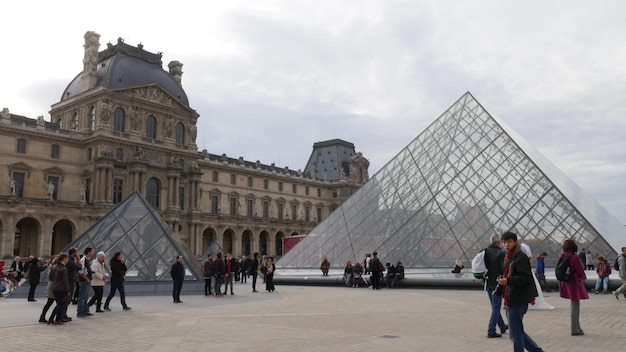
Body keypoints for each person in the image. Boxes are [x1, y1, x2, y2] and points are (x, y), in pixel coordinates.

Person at [496, 231, 544, 352]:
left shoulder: (520, 257)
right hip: (511, 298)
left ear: (515, 242)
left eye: (509, 242)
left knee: (516, 335)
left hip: (518, 299)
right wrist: (504, 280)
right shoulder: (509, 255)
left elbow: (526, 278)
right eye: (504, 242)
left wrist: (508, 281)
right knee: (517, 331)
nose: (506, 244)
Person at [558, 239, 588, 336]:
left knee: (574, 304)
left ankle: (577, 327)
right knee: (575, 306)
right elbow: (580, 271)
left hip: (565, 282)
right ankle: (575, 329)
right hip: (573, 283)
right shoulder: (574, 257)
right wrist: (583, 277)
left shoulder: (561, 256)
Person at [484, 233, 508, 338]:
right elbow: (503, 269)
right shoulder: (501, 253)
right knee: (496, 308)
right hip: (497, 283)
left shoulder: (484, 252)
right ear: (499, 242)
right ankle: (491, 330)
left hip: (487, 282)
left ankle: (502, 326)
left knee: (494, 306)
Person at [48, 253, 70, 325]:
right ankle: (56, 319)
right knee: (60, 305)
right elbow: (65, 281)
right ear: (63, 258)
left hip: (55, 288)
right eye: (67, 258)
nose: (67, 260)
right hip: (61, 289)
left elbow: (51, 277)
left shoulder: (54, 267)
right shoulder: (64, 269)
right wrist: (68, 290)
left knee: (58, 304)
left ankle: (52, 319)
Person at [39, 255, 58, 323]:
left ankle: (43, 316)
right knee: (55, 303)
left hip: (51, 286)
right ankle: (50, 317)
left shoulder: (51, 267)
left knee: (50, 303)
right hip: (53, 287)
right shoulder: (53, 267)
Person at [77, 247, 94, 317]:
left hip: (86, 280)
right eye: (92, 251)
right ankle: (80, 312)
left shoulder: (86, 259)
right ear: (89, 252)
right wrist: (86, 279)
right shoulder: (83, 260)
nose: (93, 253)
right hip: (84, 281)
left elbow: (85, 270)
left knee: (85, 296)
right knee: (82, 297)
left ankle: (85, 310)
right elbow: (81, 270)